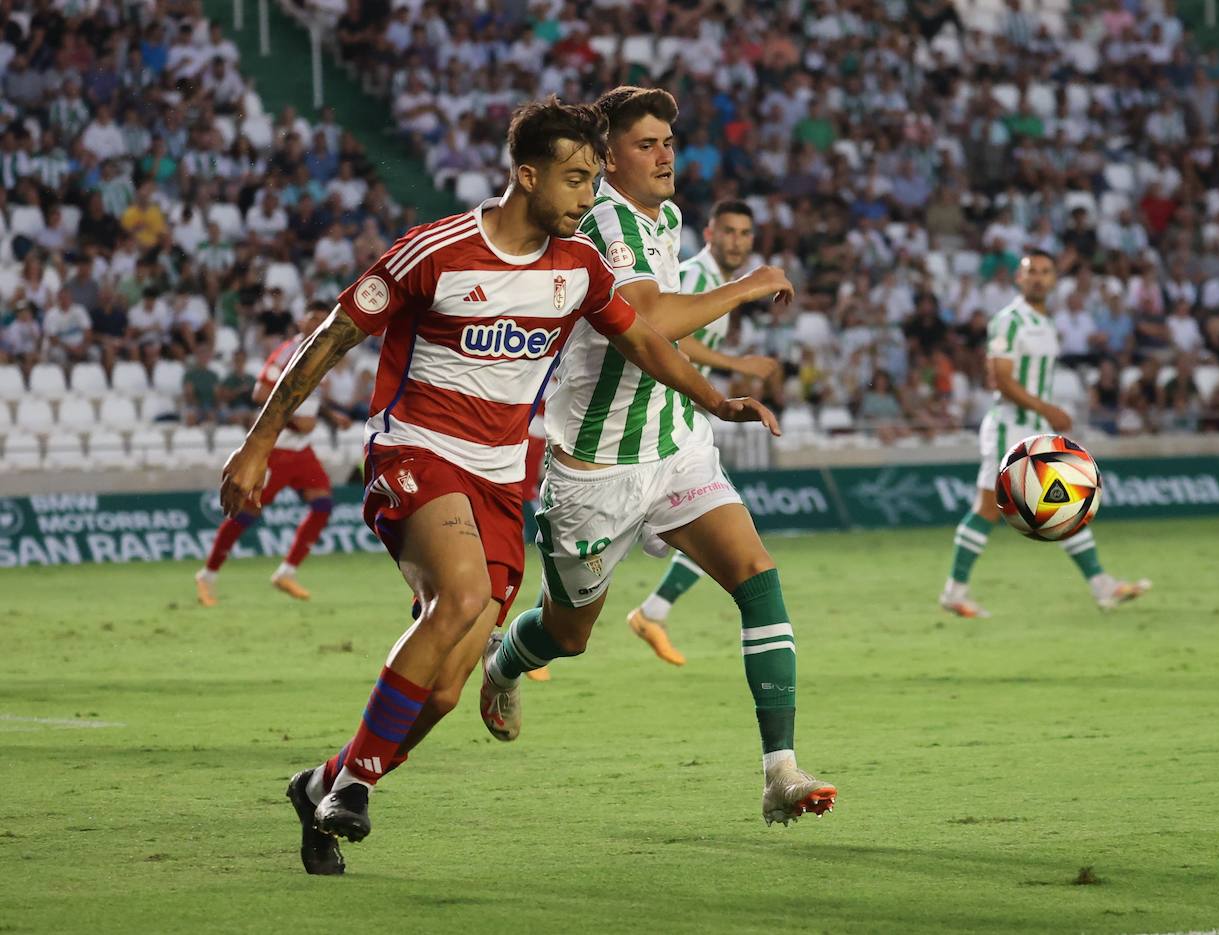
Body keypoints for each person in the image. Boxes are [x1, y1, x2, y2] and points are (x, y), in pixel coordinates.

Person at [218, 97, 778, 876]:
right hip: (415, 452)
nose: (589, 198)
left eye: (593, 182)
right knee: (460, 595)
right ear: (527, 175)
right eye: (576, 180)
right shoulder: (437, 251)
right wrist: (260, 439)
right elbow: (335, 332)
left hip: (500, 475)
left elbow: (645, 341)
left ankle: (320, 782)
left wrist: (718, 401)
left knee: (445, 690)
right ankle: (352, 786)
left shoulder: (578, 267)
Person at [477, 87, 836, 828]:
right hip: (596, 471)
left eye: (669, 139)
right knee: (567, 633)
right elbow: (645, 319)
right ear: (607, 159)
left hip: (674, 446)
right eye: (647, 143)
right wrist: (749, 285)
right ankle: (504, 659)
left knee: (758, 577)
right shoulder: (602, 222)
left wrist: (714, 397)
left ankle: (782, 771)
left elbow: (661, 340)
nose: (666, 152)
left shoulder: (664, 218)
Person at [940, 250, 1150, 618]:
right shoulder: (1009, 321)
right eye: (1031, 272)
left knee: (1060, 500)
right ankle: (954, 591)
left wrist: (1044, 416)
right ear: (1019, 279)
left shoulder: (1046, 323)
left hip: (1033, 428)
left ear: (1054, 279)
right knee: (992, 508)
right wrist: (1047, 409)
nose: (1038, 278)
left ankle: (1101, 584)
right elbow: (1000, 379)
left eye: (1045, 272)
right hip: (1010, 425)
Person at [625, 199, 781, 666]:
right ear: (709, 233)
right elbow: (667, 333)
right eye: (728, 231)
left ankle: (653, 611)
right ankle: (539, 634)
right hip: (650, 418)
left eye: (745, 233)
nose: (737, 241)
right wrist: (738, 365)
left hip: (677, 414)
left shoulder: (720, 284)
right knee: (611, 534)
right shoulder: (696, 278)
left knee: (717, 524)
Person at [197, 301, 337, 607]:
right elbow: (261, 393)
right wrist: (298, 422)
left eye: (323, 319)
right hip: (276, 449)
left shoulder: (325, 352)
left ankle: (286, 572)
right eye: (313, 318)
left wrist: (329, 415)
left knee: (323, 504)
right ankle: (207, 576)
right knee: (246, 515)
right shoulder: (288, 351)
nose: (317, 324)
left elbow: (306, 396)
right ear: (301, 321)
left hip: (301, 450)